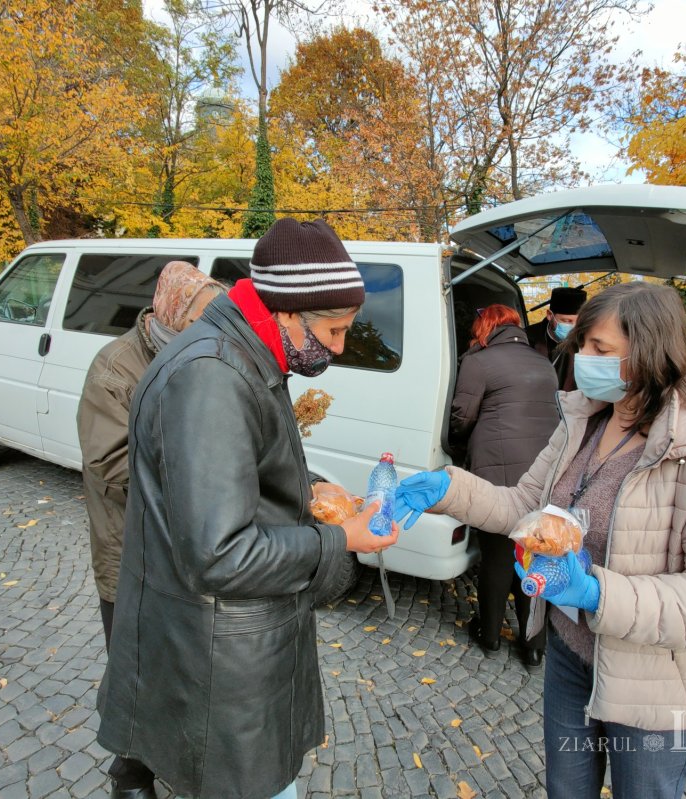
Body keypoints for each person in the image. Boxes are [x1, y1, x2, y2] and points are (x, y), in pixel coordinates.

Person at [395, 281, 686, 799]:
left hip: (658, 686)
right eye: (583, 346)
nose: (584, 359)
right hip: (570, 659)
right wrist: (449, 487)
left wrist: (598, 593)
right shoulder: (585, 421)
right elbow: (522, 508)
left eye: (601, 349)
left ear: (651, 353)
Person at [96, 218, 399, 799]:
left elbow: (231, 473)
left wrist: (306, 489)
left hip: (230, 651)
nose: (338, 348)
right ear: (286, 310)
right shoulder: (213, 374)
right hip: (222, 664)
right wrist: (342, 541)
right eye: (333, 331)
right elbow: (219, 553)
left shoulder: (242, 350)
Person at [78, 261, 222, 799]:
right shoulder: (116, 369)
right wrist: (196, 474)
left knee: (186, 659)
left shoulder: (198, 356)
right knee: (134, 667)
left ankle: (184, 754)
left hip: (187, 550)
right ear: (171, 315)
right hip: (132, 552)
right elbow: (110, 465)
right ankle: (130, 774)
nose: (214, 332)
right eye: (203, 321)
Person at [449, 303, 559, 667]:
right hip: (542, 472)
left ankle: (491, 635)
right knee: (532, 553)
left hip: (497, 472)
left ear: (484, 327)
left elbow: (462, 415)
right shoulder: (542, 361)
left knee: (497, 555)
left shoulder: (478, 361)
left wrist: (457, 446)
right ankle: (534, 643)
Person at [525, 286, 587, 390]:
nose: (573, 328)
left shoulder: (585, 342)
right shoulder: (526, 337)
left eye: (578, 322)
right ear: (550, 315)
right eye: (567, 321)